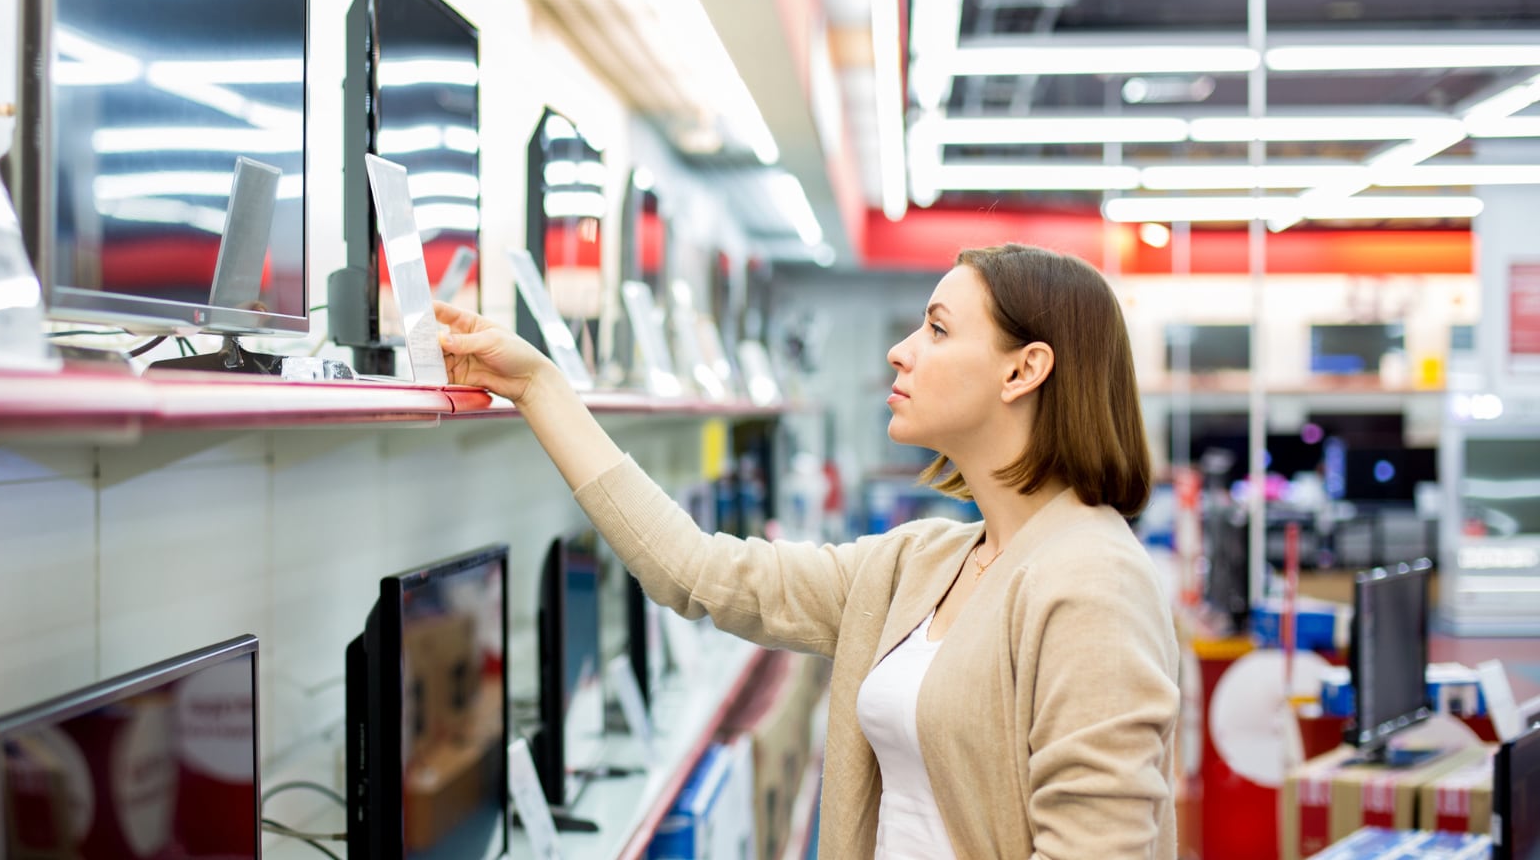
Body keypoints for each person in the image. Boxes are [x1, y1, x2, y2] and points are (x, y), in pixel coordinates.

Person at [434, 242, 1178, 860]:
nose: (900, 350)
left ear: (1024, 369)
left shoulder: (1092, 583)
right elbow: (696, 571)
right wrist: (538, 390)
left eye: (939, 330)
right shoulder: (919, 563)